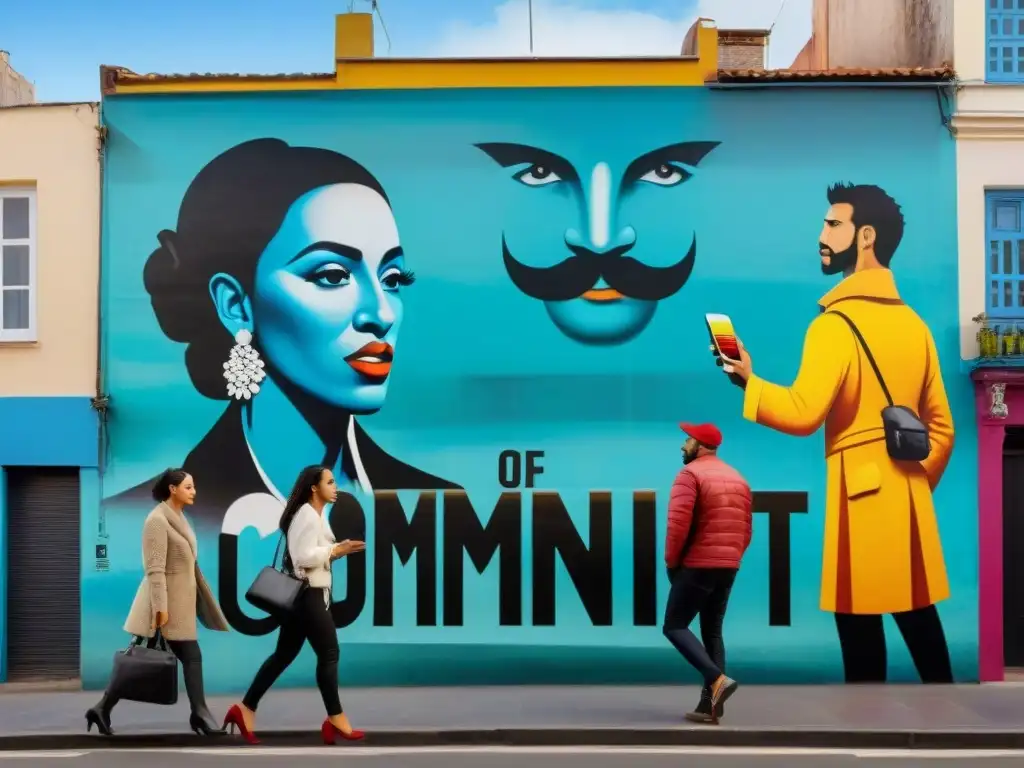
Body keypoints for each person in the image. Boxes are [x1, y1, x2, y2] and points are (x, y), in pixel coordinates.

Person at [715, 183, 955, 684]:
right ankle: (946, 711)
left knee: (860, 622)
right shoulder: (916, 325)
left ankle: (868, 726)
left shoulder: (833, 325)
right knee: (917, 612)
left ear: (865, 236)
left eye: (832, 225)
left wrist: (748, 382)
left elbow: (804, 413)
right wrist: (912, 480)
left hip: (860, 496)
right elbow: (943, 429)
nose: (821, 235)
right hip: (908, 495)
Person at [223, 465, 366, 745]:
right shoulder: (307, 516)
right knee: (329, 653)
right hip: (308, 596)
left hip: (309, 595)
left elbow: (311, 556)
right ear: (315, 487)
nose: (335, 486)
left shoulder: (315, 515)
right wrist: (336, 549)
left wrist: (337, 551)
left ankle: (244, 709)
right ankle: (335, 718)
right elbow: (302, 558)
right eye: (330, 482)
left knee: (283, 656)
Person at [85, 469, 229, 736]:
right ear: (172, 489)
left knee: (144, 657)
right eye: (188, 487)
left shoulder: (179, 518)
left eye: (193, 486)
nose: (194, 491)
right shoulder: (156, 520)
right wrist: (161, 608)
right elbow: (155, 569)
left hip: (179, 603)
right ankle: (200, 713)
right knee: (190, 655)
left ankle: (102, 707)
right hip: (165, 605)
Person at [663, 423, 752, 724]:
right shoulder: (738, 479)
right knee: (712, 631)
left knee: (674, 626)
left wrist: (672, 563)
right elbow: (747, 530)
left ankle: (717, 679)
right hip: (728, 566)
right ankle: (709, 707)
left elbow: (677, 526)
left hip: (699, 563)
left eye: (687, 440)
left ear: (699, 445)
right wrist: (733, 558)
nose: (682, 445)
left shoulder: (690, 475)